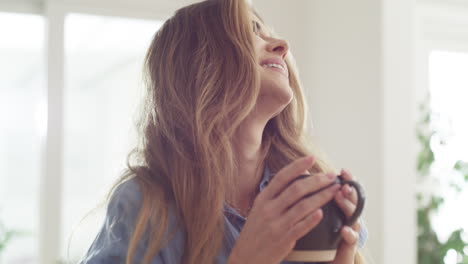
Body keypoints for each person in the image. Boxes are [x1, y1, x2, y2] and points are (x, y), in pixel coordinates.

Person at [79, 0, 368, 263]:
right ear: (200, 61)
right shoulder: (145, 205)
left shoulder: (309, 195)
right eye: (254, 30)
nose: (282, 45)